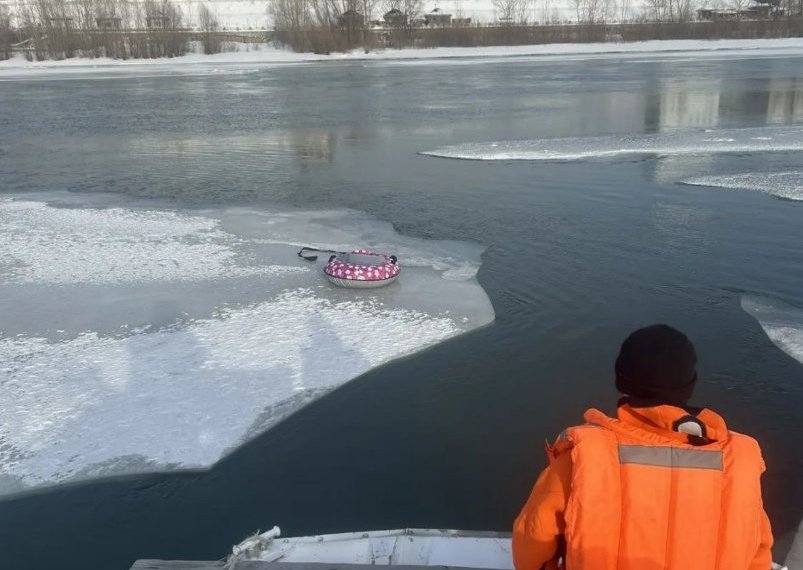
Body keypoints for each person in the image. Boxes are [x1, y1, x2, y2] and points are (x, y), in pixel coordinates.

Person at [512, 324, 773, 570]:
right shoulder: (740, 460)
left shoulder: (585, 454)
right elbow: (758, 552)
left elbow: (533, 539)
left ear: (622, 381)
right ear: (689, 385)